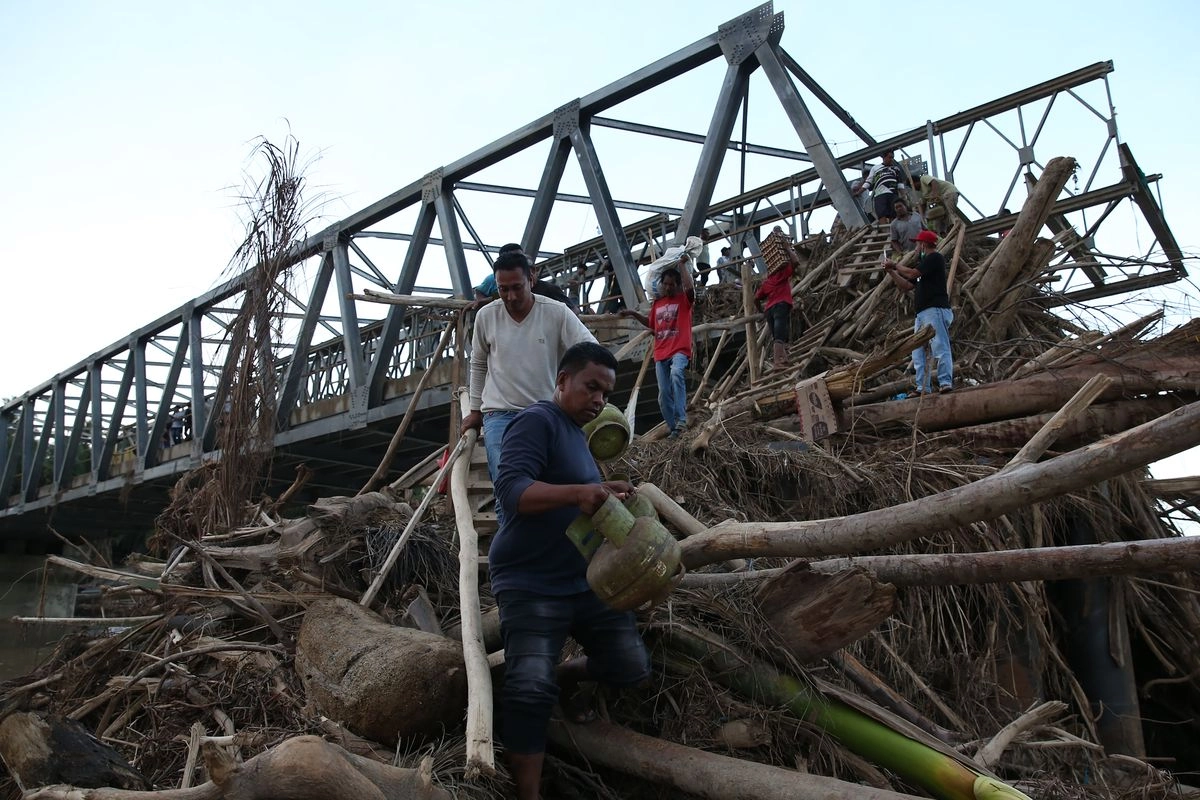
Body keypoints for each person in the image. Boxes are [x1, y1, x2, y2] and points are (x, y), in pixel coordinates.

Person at [491, 342, 650, 800]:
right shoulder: (536, 421)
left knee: (632, 666)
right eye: (591, 387)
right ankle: (528, 792)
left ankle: (566, 677)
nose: (599, 399)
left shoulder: (578, 435)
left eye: (606, 392)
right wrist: (580, 492)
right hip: (530, 579)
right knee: (528, 688)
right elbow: (513, 491)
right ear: (562, 382)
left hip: (582, 579)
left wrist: (603, 488)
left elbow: (575, 490)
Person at [462, 248, 596, 527]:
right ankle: (510, 554)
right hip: (500, 415)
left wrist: (573, 388)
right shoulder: (487, 316)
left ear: (531, 279)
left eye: (516, 288)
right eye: (502, 289)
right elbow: (477, 363)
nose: (510, 297)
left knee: (552, 483)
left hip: (547, 413)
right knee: (508, 490)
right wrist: (475, 410)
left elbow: (590, 351)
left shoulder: (556, 312)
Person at [617, 265, 695, 438]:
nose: (668, 287)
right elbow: (651, 323)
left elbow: (690, 288)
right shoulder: (658, 303)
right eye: (665, 284)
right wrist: (632, 313)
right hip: (660, 354)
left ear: (677, 285)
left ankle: (681, 419)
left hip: (679, 350)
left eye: (672, 284)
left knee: (676, 373)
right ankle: (674, 428)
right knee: (663, 396)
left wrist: (682, 264)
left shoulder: (684, 300)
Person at [882, 229, 954, 394]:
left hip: (935, 309)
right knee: (918, 352)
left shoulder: (934, 258)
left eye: (917, 244)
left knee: (939, 346)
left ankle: (945, 382)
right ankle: (923, 387)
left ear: (923, 244)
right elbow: (907, 285)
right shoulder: (923, 265)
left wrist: (895, 264)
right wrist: (891, 272)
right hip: (922, 313)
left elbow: (912, 273)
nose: (915, 247)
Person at [473, 243, 580, 313]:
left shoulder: (548, 289)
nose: (512, 296)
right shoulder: (493, 282)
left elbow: (573, 310)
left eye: (517, 287)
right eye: (504, 289)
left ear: (532, 270)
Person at [754, 227, 801, 370]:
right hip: (781, 306)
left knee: (777, 336)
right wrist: (787, 247)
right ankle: (777, 361)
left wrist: (761, 311)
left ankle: (783, 359)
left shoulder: (767, 281)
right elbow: (796, 261)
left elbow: (755, 299)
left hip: (769, 310)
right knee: (780, 334)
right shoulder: (782, 274)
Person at [855, 150, 909, 224]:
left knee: (894, 213)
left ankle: (893, 229)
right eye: (890, 157)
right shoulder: (875, 168)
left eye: (892, 157)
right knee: (881, 213)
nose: (891, 159)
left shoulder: (896, 169)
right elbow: (868, 181)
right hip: (880, 193)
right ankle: (885, 231)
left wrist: (904, 196)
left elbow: (900, 184)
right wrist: (859, 192)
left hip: (893, 193)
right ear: (884, 157)